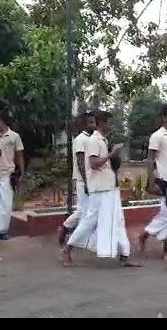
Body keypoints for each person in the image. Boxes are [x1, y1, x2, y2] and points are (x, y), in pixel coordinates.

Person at [60, 111, 142, 268]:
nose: (110, 125)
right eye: (107, 122)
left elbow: (109, 165)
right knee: (89, 221)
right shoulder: (93, 141)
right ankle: (67, 250)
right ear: (100, 123)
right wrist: (112, 154)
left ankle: (125, 255)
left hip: (110, 188)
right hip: (100, 190)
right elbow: (93, 163)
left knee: (118, 221)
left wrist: (113, 154)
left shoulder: (103, 140)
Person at [139, 104, 167, 259]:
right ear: (164, 118)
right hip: (164, 179)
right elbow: (150, 160)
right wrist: (151, 182)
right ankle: (146, 234)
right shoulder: (157, 136)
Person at [58, 112, 97, 246]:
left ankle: (80, 238)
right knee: (82, 211)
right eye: (91, 122)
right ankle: (64, 228)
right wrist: (86, 182)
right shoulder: (80, 139)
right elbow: (80, 162)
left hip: (91, 180)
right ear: (83, 124)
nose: (94, 125)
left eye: (94, 122)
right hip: (82, 180)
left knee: (89, 212)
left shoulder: (93, 139)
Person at [0, 111, 25, 241]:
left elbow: (19, 155)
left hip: (7, 174)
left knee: (6, 204)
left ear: (1, 120)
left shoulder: (14, 136)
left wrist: (22, 173)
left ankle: (3, 231)